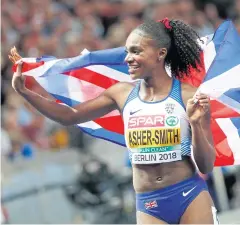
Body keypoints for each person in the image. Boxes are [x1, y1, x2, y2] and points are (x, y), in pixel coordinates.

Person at [9, 18, 218, 224]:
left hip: (189, 195)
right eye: (127, 51)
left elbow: (206, 165)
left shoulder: (189, 96)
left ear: (160, 53)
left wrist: (197, 125)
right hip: (149, 205)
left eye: (136, 51)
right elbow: (69, 116)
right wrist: (24, 91)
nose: (128, 58)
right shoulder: (121, 94)